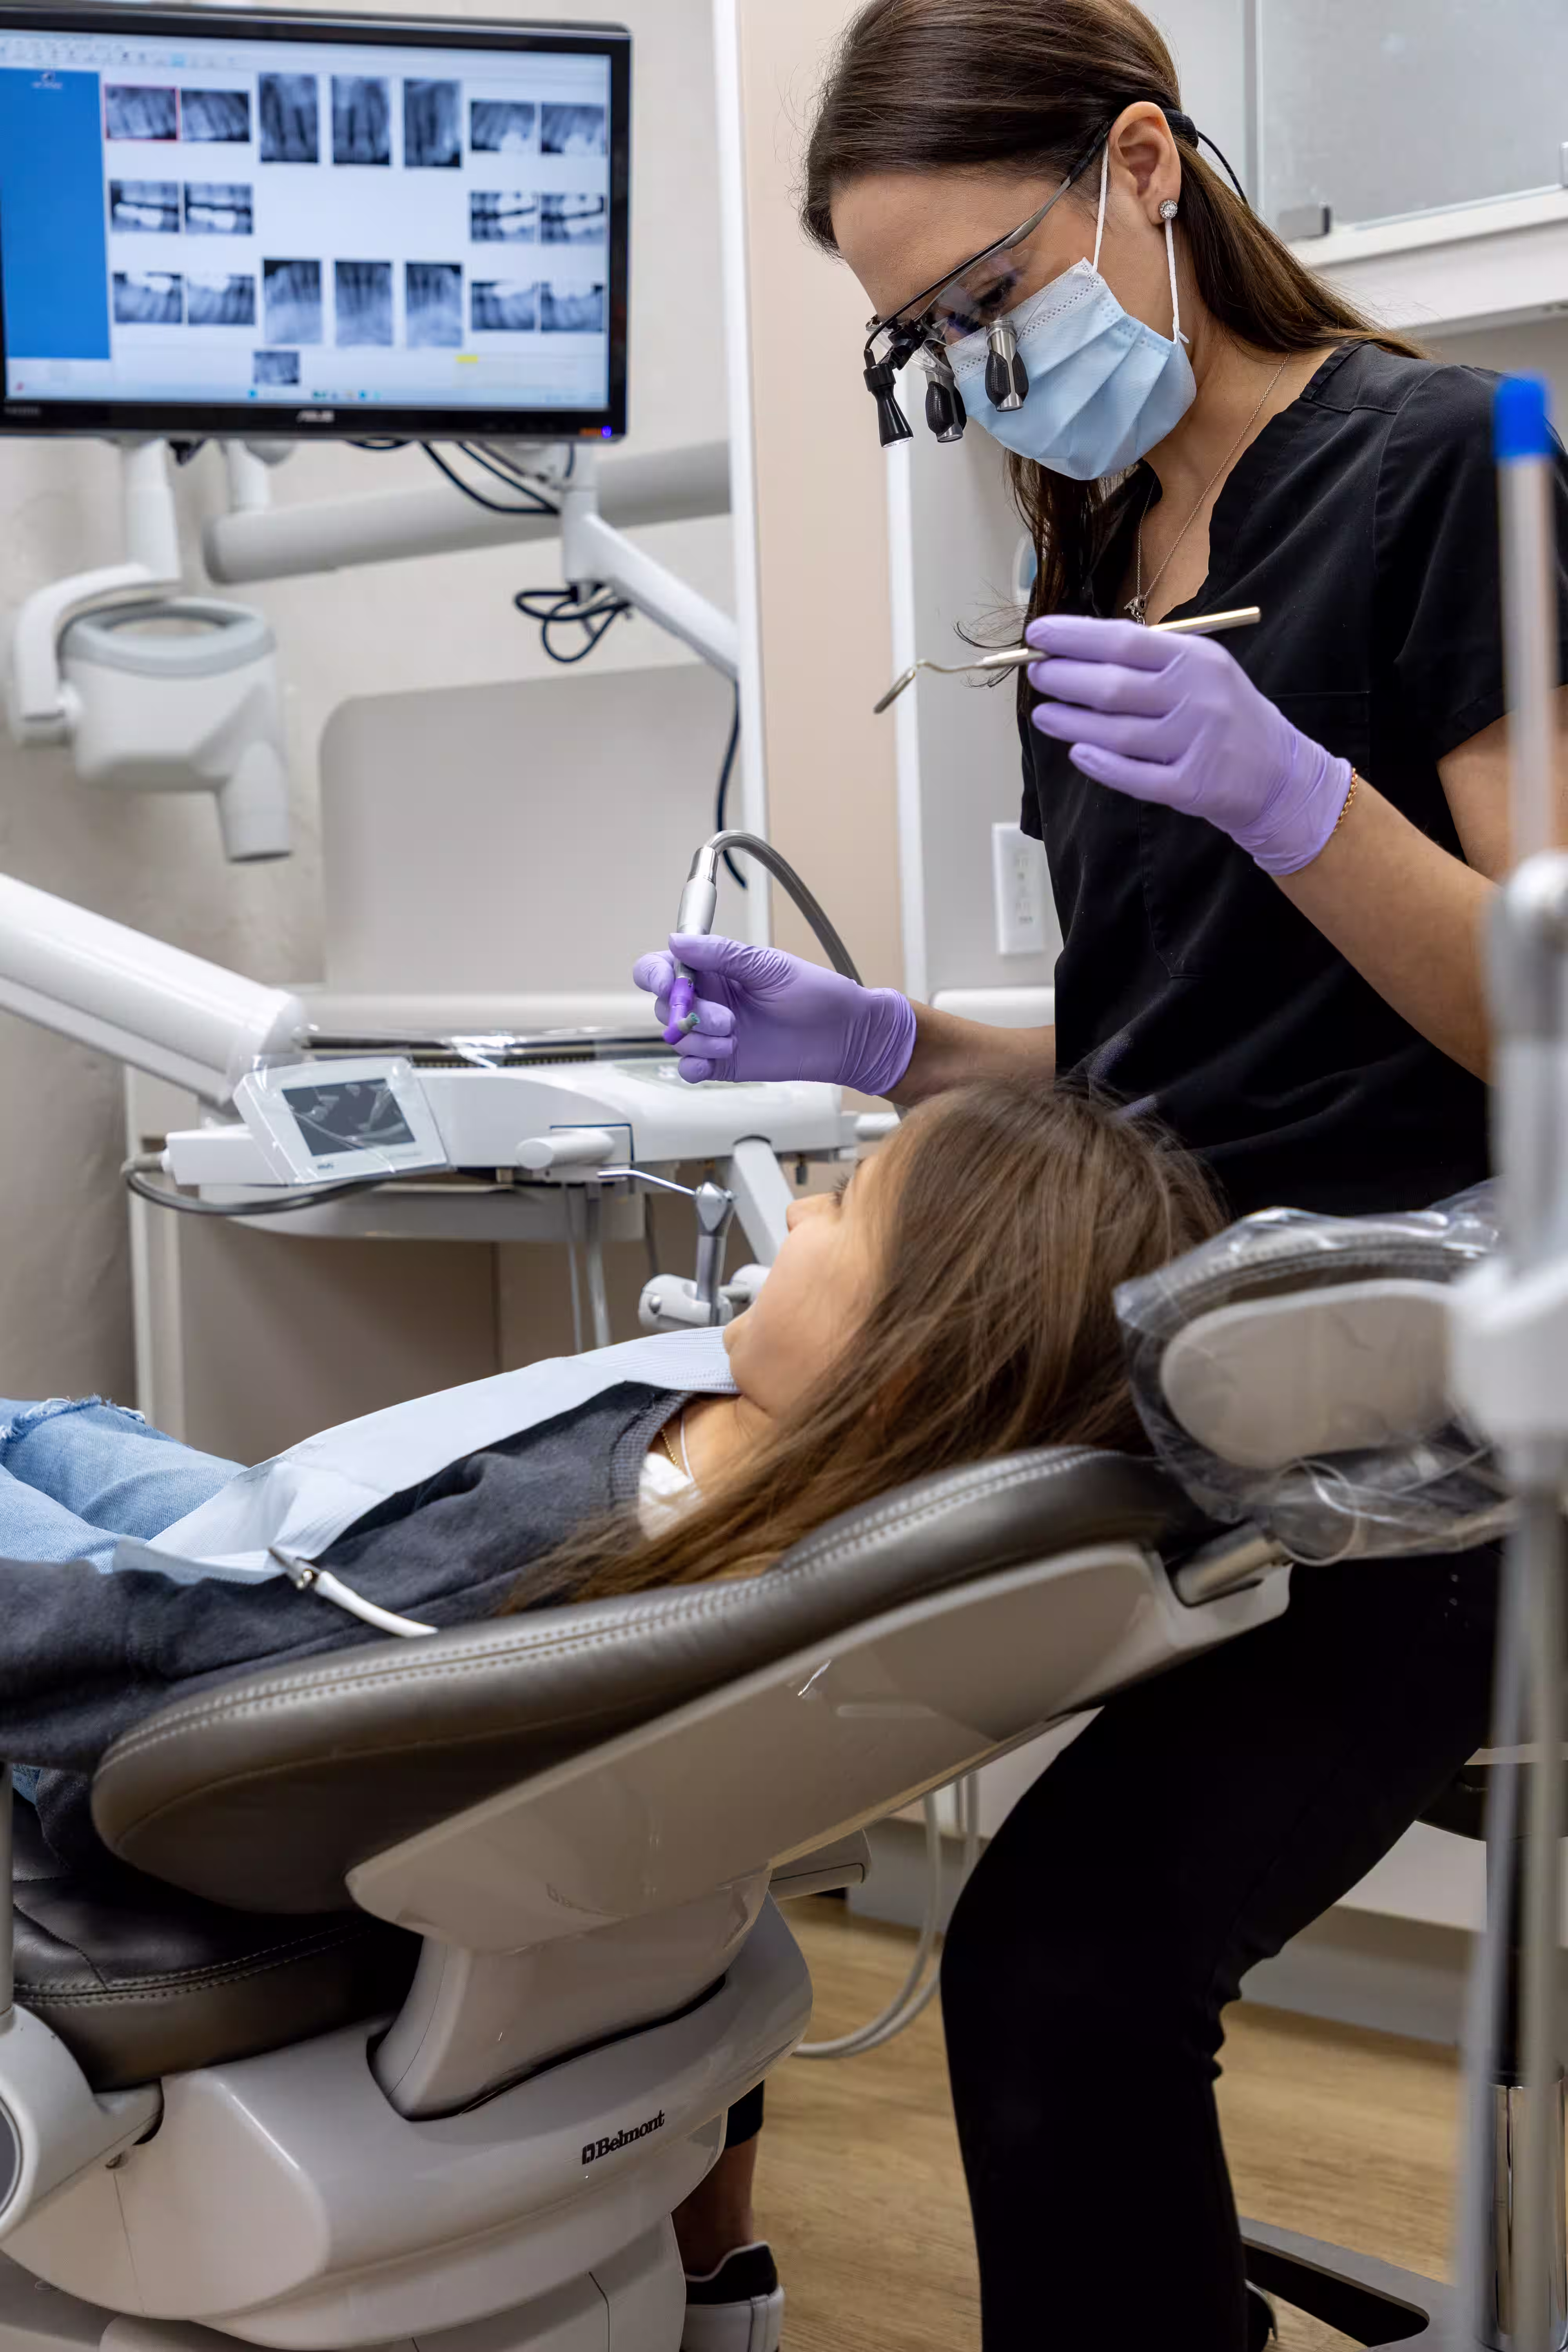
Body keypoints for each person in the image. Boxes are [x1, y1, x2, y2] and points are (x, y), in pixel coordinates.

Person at [631, 3, 1568, 2343]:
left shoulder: (1444, 462)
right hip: (1162, 1383)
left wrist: (1301, 798)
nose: (967, 370)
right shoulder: (1097, 537)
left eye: (980, 301)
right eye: (917, 343)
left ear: (1142, 165)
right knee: (665, 1767)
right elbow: (1192, 1032)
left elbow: (1544, 1013)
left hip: (1410, 1438)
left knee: (1055, 1975)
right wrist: (893, 1044)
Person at [0, 1079, 1217, 2352]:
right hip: (297, 1578)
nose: (799, 1210)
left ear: (901, 1367)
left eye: (845, 1206)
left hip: (178, 1727)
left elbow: (168, 1666)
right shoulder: (835, 1534)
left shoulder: (548, 1551)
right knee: (60, 1427)